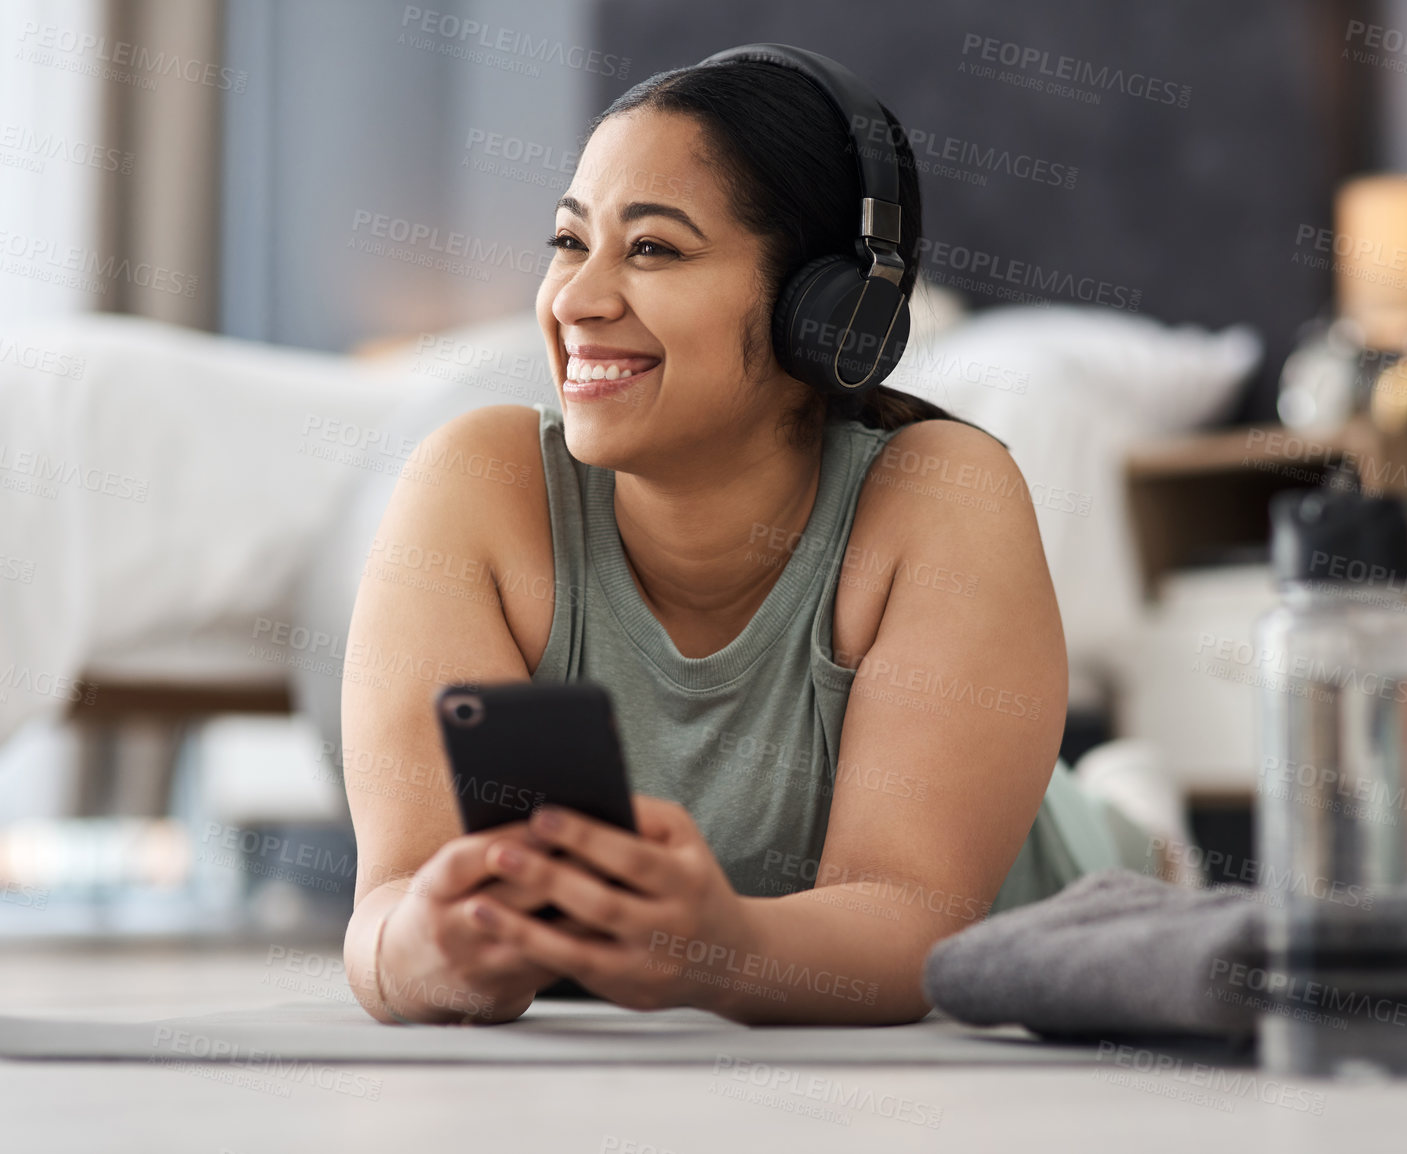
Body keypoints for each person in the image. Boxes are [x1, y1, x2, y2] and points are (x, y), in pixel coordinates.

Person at [340, 48, 1117, 1027]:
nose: (577, 300)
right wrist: (425, 952)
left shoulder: (942, 494)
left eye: (654, 249)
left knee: (1127, 837)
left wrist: (716, 948)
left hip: (1069, 896)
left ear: (830, 315)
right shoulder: (477, 485)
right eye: (570, 240)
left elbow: (916, 919)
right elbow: (387, 908)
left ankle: (1135, 811)